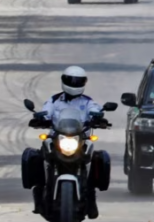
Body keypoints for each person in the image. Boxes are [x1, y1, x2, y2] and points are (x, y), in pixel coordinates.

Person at [33, 66, 102, 218]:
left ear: (84, 82)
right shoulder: (54, 100)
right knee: (36, 158)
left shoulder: (88, 102)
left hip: (80, 139)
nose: (74, 83)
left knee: (99, 158)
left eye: (78, 81)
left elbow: (96, 110)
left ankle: (91, 197)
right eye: (71, 80)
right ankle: (39, 194)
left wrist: (99, 117)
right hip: (56, 138)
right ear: (64, 81)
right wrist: (40, 118)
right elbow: (46, 111)